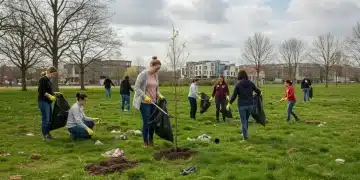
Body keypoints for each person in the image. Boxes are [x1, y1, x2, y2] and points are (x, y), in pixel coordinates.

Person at [133, 56, 164, 147]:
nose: (157, 70)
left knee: (153, 123)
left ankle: (151, 141)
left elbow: (155, 89)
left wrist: (159, 95)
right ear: (151, 65)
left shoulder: (156, 75)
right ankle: (145, 142)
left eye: (158, 69)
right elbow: (136, 88)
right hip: (144, 103)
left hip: (154, 102)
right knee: (147, 122)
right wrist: (144, 96)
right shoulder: (143, 74)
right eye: (156, 68)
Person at [227, 70, 261, 141]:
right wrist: (259, 93)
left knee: (243, 121)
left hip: (242, 105)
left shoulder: (238, 84)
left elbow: (234, 96)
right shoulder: (251, 83)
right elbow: (258, 91)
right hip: (250, 105)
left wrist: (229, 103)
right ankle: (244, 133)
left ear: (239, 76)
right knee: (246, 120)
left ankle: (245, 138)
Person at [37, 66, 60, 141]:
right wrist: (49, 96)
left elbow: (49, 91)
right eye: (53, 74)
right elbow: (41, 91)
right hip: (43, 101)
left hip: (48, 102)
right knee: (45, 119)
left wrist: (55, 94)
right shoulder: (42, 80)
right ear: (50, 72)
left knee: (49, 119)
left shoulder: (48, 80)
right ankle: (45, 136)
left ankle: (48, 134)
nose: (54, 76)